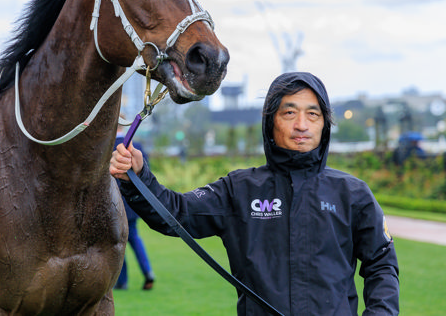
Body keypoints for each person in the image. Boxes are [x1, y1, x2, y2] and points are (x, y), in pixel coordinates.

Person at [110, 72, 399, 315]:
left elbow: (382, 264)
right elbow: (176, 213)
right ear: (271, 122)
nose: (302, 124)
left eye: (313, 114)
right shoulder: (239, 189)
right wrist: (138, 176)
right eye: (289, 112)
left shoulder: (353, 194)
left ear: (324, 125)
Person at [113, 126, 155, 291]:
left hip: (114, 203)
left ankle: (122, 281)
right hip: (133, 202)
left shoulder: (108, 146)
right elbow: (146, 173)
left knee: (117, 242)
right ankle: (148, 271)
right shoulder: (136, 145)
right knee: (135, 238)